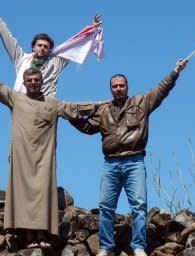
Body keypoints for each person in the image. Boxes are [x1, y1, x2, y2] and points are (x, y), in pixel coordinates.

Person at [0, 53, 100, 249]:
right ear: (24, 82)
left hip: (44, 157)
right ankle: (28, 237)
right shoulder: (15, 99)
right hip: (21, 156)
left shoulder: (52, 103)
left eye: (37, 80)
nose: (33, 83)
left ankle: (42, 235)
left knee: (43, 195)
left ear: (42, 82)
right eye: (30, 80)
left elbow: (74, 107)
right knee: (23, 195)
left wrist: (99, 104)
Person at [70, 59, 188, 256]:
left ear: (127, 87)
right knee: (106, 207)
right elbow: (87, 127)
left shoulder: (141, 102)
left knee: (139, 206)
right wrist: (70, 116)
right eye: (114, 86)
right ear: (110, 89)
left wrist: (175, 72)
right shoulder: (103, 110)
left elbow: (161, 90)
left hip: (135, 161)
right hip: (110, 163)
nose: (118, 89)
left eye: (121, 85)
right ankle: (106, 247)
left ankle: (138, 246)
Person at [0, 2, 101, 97]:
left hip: (44, 106)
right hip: (22, 104)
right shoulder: (22, 59)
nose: (42, 48)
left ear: (50, 50)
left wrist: (91, 29)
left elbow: (73, 45)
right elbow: (8, 39)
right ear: (33, 47)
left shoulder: (56, 62)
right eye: (39, 45)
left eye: (46, 47)